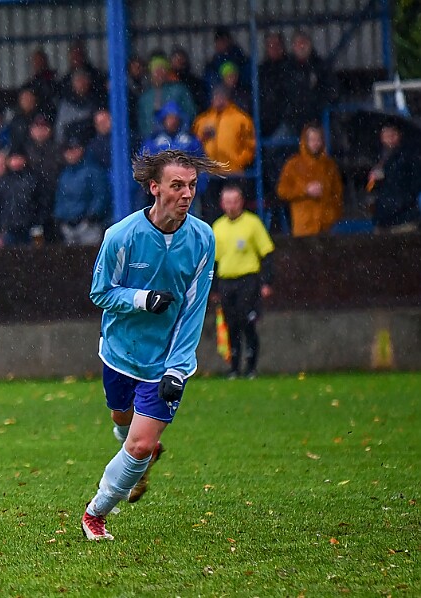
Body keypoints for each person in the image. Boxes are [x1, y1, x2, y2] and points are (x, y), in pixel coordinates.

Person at [81, 150, 225, 541]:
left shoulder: (202, 239)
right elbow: (100, 292)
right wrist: (141, 299)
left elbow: (194, 310)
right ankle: (136, 457)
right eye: (177, 185)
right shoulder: (121, 237)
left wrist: (178, 368)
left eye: (192, 185)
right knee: (121, 422)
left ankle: (95, 514)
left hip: (165, 362)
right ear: (154, 187)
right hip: (119, 352)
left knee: (141, 444)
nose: (186, 194)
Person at [211, 184, 274, 379]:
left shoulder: (252, 223)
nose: (231, 206)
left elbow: (267, 253)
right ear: (222, 204)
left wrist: (266, 282)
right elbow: (213, 261)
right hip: (226, 282)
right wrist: (213, 288)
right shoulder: (217, 227)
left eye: (235, 201)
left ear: (241, 202)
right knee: (231, 325)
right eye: (227, 202)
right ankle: (234, 368)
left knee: (248, 323)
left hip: (248, 281)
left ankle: (251, 367)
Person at [192, 85, 256, 222]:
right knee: (211, 211)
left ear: (228, 98)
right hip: (210, 173)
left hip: (233, 172)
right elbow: (194, 145)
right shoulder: (202, 121)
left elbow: (250, 145)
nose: (219, 99)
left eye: (222, 96)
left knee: (235, 209)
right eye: (216, 96)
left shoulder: (241, 119)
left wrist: (239, 161)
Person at [276, 124, 343, 236]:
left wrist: (332, 216)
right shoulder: (293, 164)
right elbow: (282, 191)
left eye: (318, 139)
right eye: (312, 139)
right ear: (305, 141)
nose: (315, 143)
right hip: (304, 227)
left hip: (326, 227)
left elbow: (337, 193)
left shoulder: (329, 165)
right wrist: (305, 190)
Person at [365, 119, 421, 233]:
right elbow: (370, 189)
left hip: (404, 218)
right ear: (381, 136)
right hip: (383, 218)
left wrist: (403, 200)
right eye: (386, 133)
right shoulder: (377, 158)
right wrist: (372, 182)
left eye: (393, 133)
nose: (390, 137)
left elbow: (415, 183)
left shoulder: (408, 156)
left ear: (399, 135)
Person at [53, 137, 110, 246]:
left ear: (81, 149)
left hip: (88, 226)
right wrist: (59, 216)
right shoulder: (64, 174)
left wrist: (92, 216)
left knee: (91, 258)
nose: (70, 153)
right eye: (68, 150)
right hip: (67, 226)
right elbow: (60, 198)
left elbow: (100, 195)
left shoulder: (93, 171)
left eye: (74, 149)